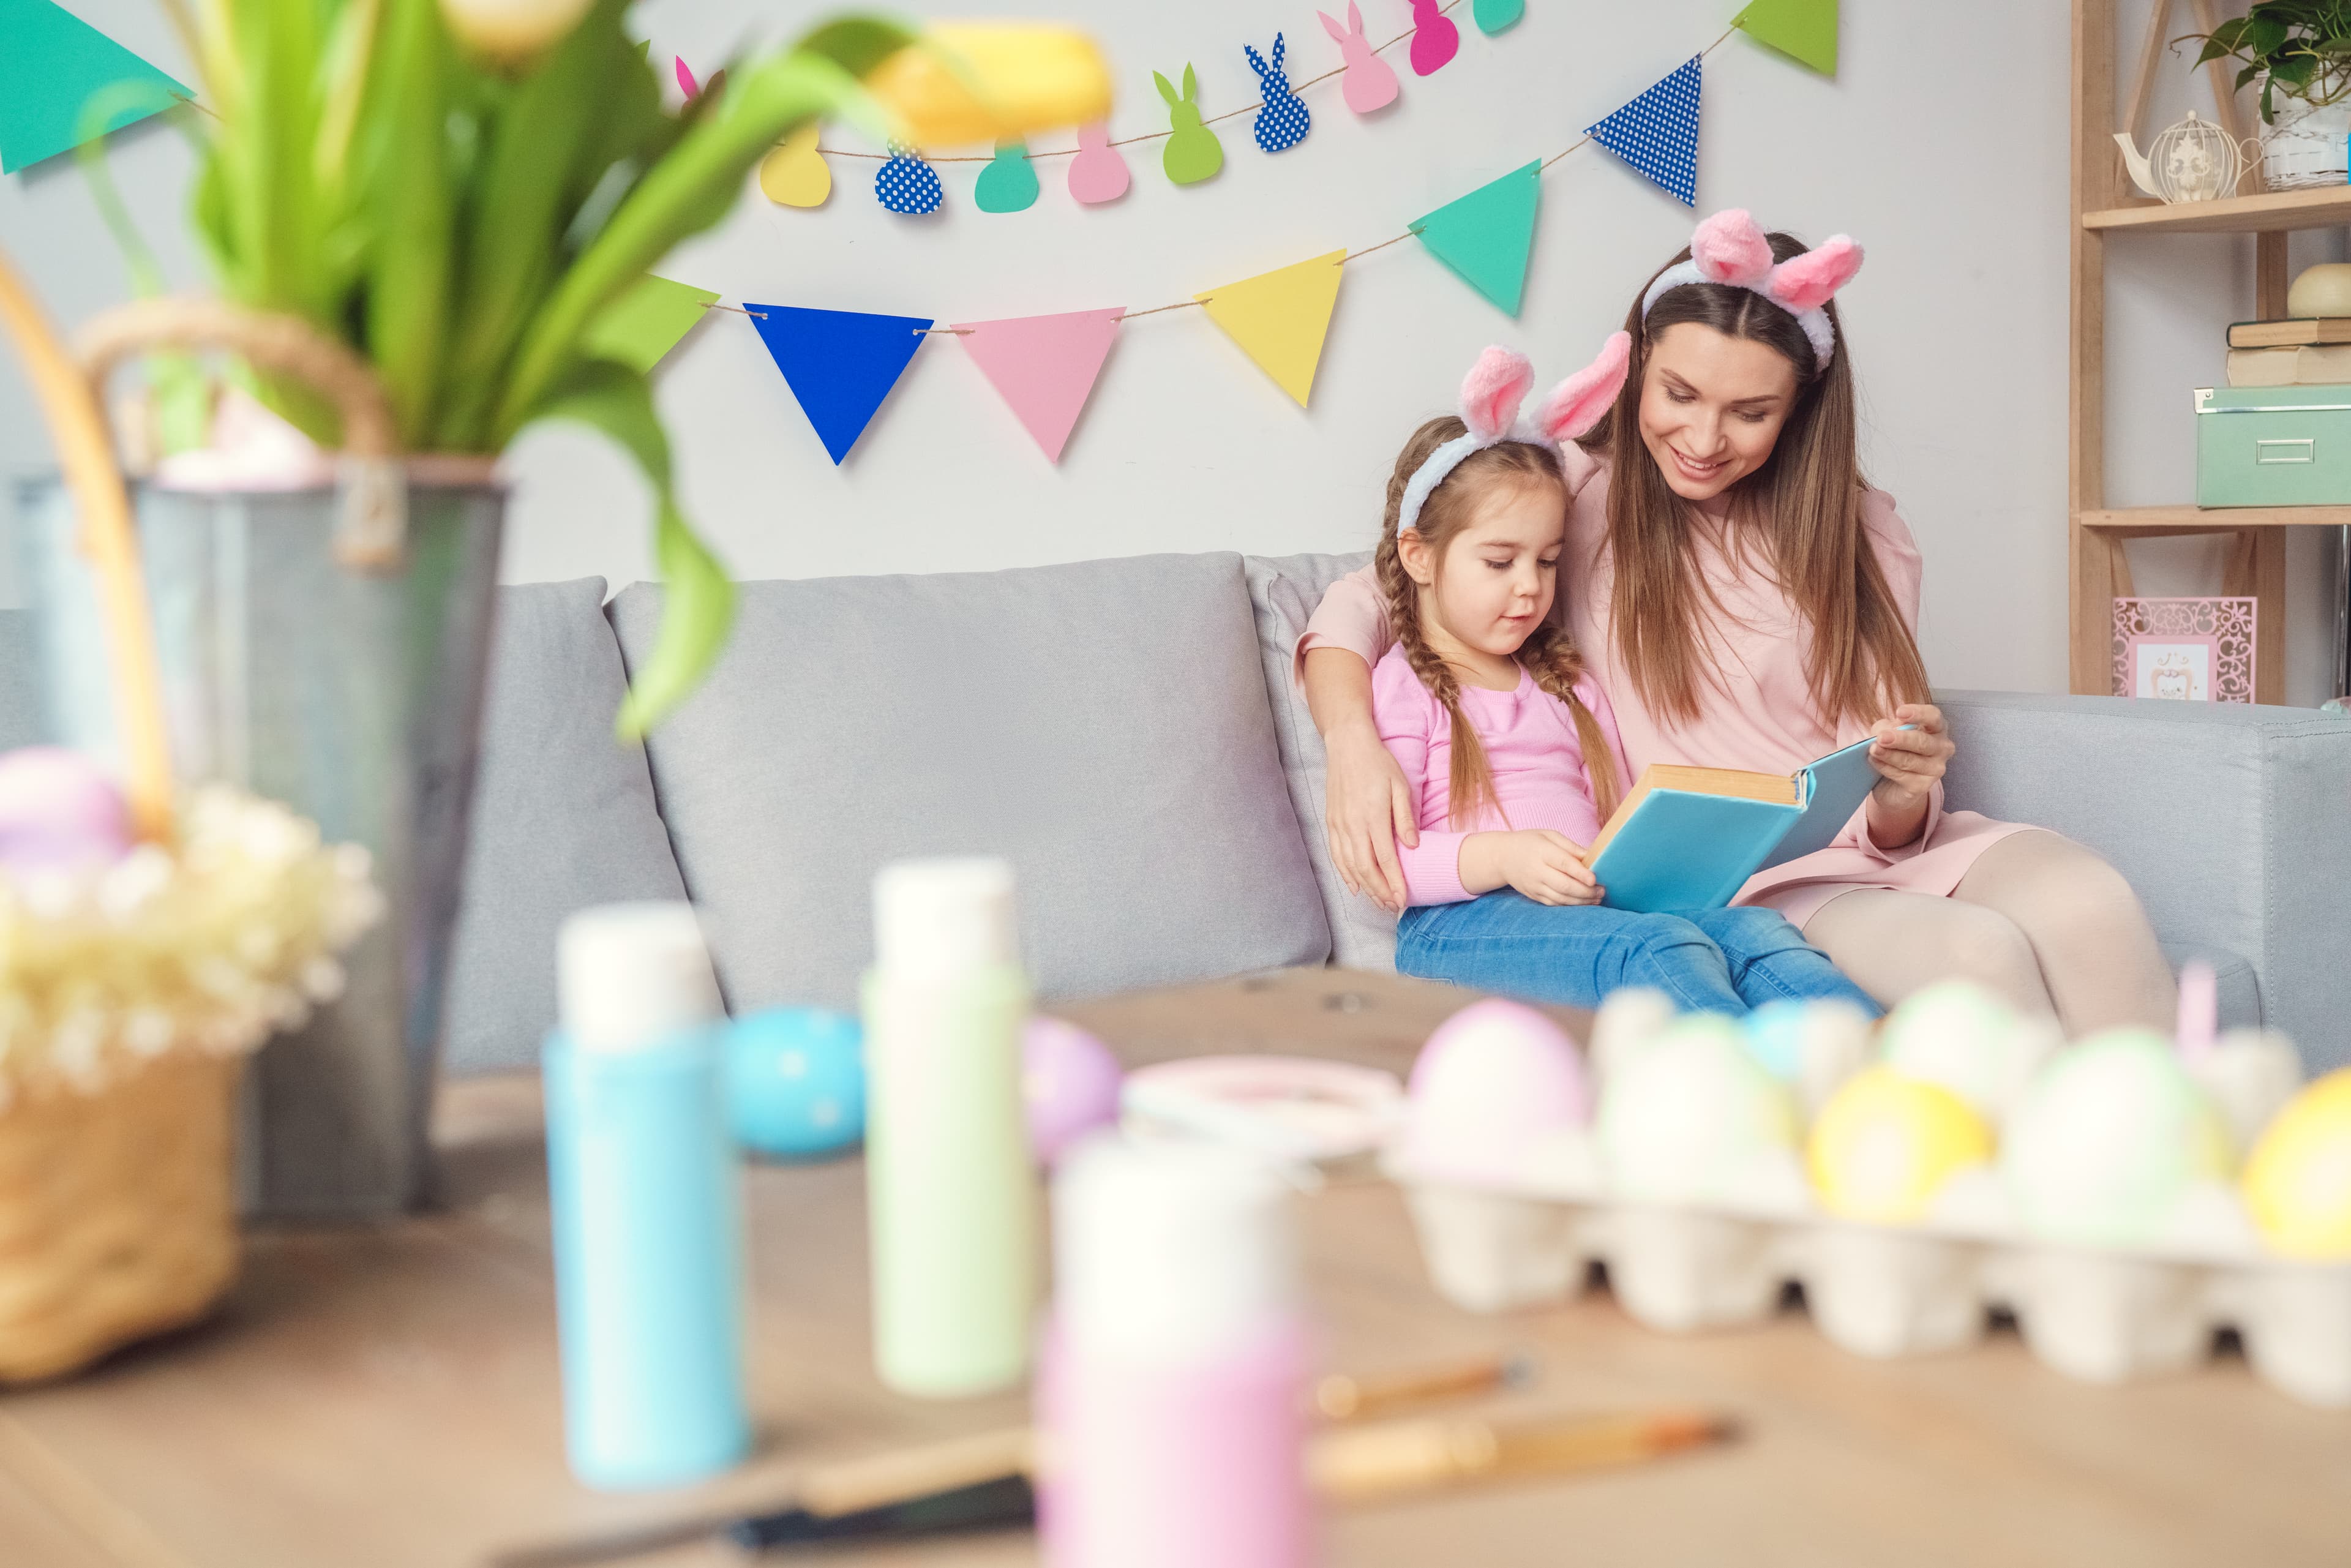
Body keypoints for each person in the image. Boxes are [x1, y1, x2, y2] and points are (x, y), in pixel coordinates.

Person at [1298, 210, 2175, 1035]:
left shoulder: (1864, 531)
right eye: (1679, 393)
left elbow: (1894, 790)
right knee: (1979, 956)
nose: (1704, 438)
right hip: (1749, 887)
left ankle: (2192, 1188)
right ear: (1637, 364)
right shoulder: (1576, 495)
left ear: (1799, 409)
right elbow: (1376, 591)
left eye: (1751, 413)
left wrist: (1907, 787)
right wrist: (1351, 739)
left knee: (2094, 904)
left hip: (1890, 850)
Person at [1364, 339, 1881, 1017]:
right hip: (1458, 928)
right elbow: (1385, 866)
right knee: (1656, 948)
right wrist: (1502, 858)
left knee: (1756, 931)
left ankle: (1872, 1070)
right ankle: (1749, 1099)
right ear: (1419, 556)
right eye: (1499, 561)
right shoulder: (1404, 687)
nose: (1529, 588)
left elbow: (1612, 822)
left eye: (1547, 561)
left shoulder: (1566, 686)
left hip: (1590, 912)